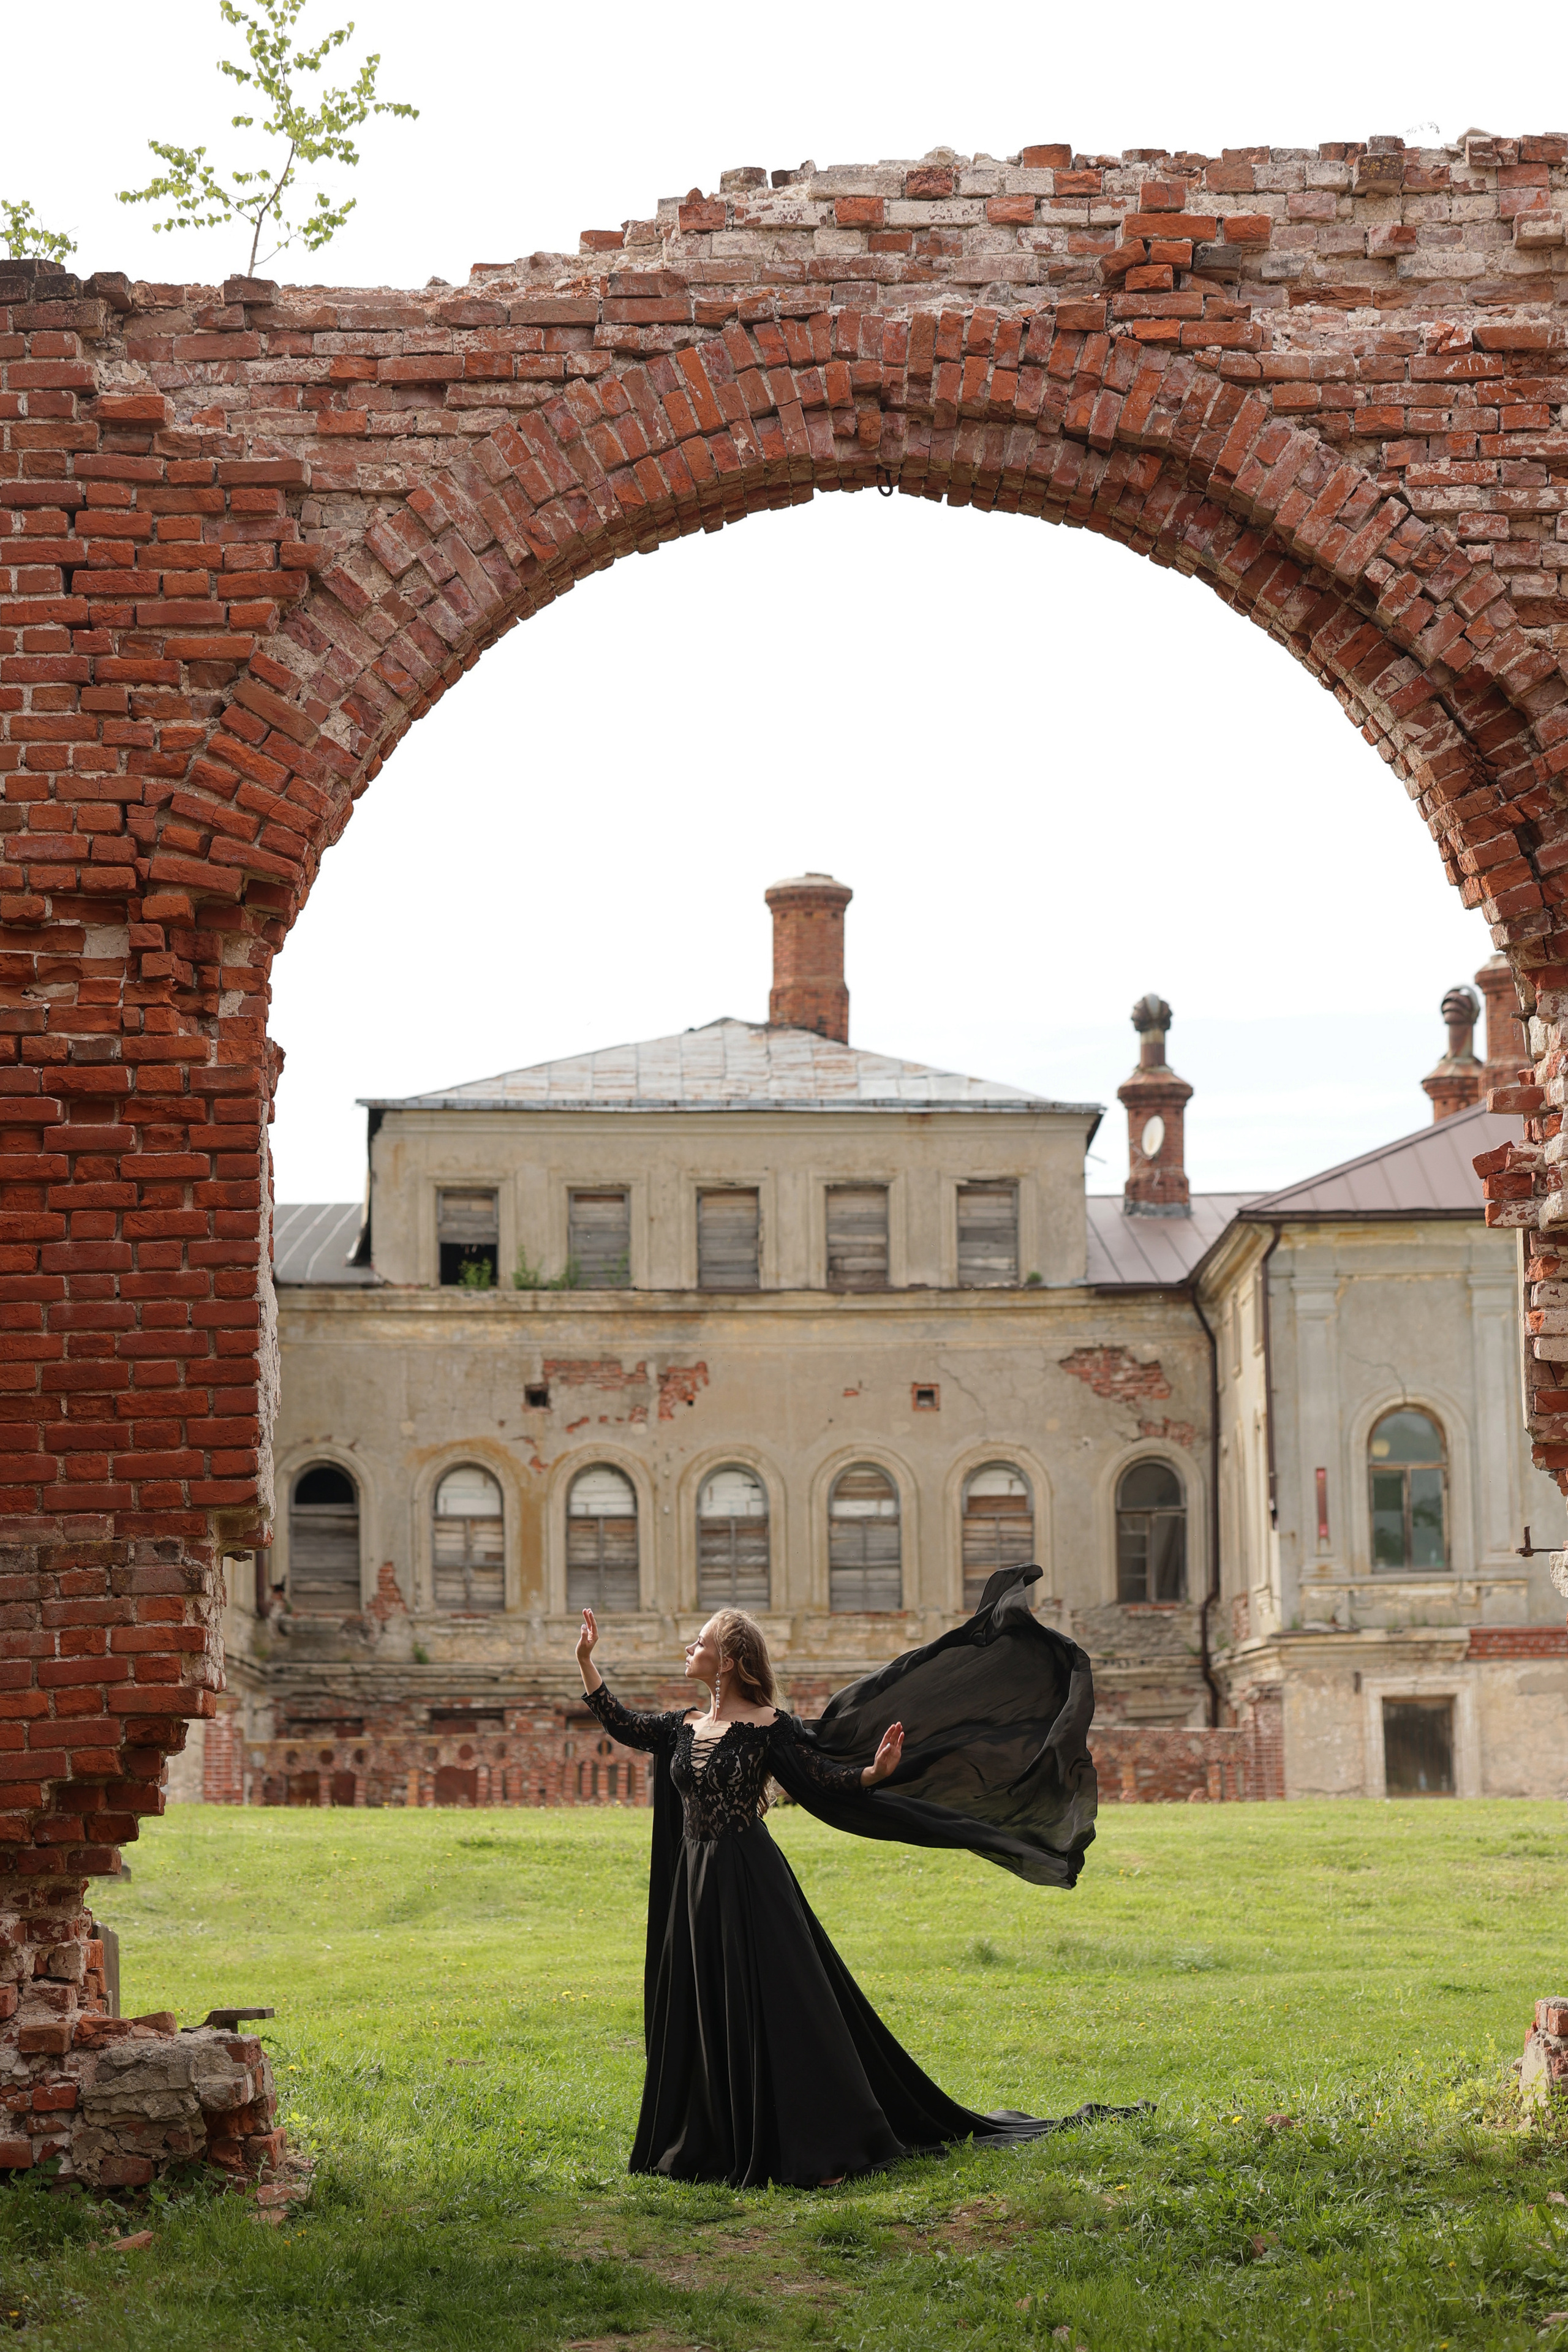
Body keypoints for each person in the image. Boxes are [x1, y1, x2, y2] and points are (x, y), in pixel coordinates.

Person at [576, 1563, 1128, 2189]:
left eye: (700, 1642)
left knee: (781, 2012)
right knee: (706, 2010)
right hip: (695, 1886)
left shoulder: (769, 1728)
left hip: (750, 1883)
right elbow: (621, 1722)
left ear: (728, 1661)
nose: (690, 1648)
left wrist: (872, 1774)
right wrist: (587, 1662)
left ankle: (815, 2141)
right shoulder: (682, 1727)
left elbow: (821, 1778)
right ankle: (713, 2142)